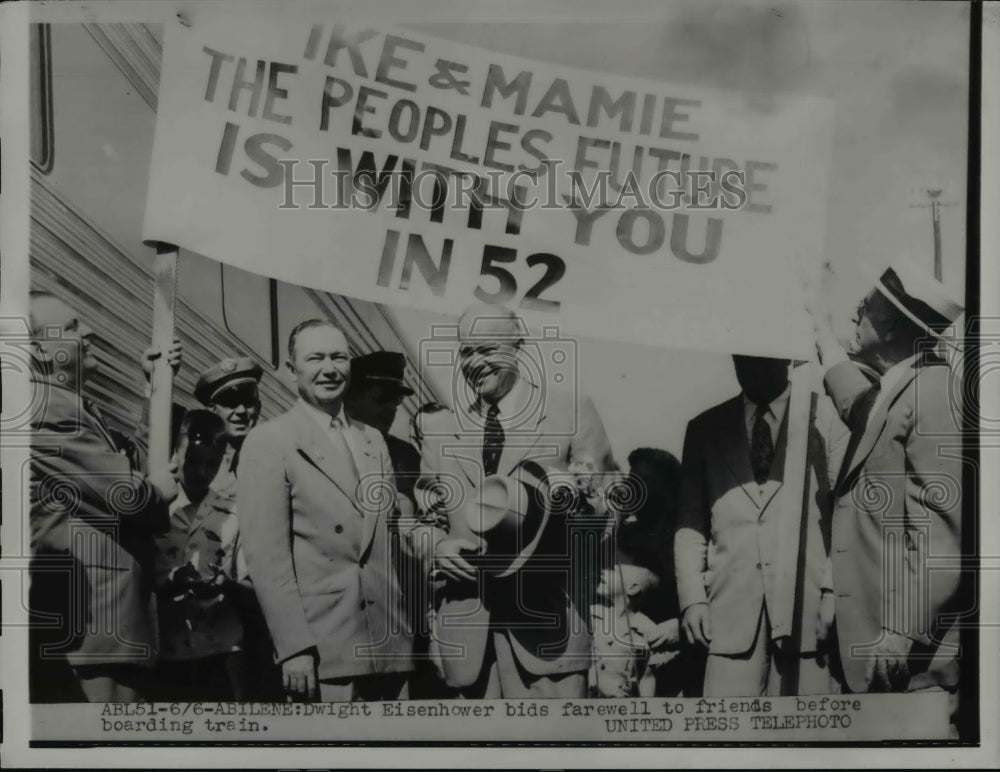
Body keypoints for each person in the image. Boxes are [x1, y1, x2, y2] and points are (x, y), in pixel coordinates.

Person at [406, 302, 616, 698]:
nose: (474, 363)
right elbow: (423, 524)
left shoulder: (570, 411)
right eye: (466, 352)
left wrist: (573, 507)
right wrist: (437, 548)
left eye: (487, 350)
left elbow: (605, 520)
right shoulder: (441, 430)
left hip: (550, 637)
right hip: (468, 644)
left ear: (518, 345)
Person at [809, 260, 964, 710]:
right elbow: (854, 403)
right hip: (876, 652)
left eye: (863, 308)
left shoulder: (935, 393)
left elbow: (943, 541)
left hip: (904, 659)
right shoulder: (897, 388)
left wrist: (900, 631)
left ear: (890, 325)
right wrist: (820, 329)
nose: (854, 317)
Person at [238, 319, 413, 701]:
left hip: (388, 644)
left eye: (339, 357)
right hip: (323, 649)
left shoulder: (373, 441)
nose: (329, 368)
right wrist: (295, 648)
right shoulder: (269, 442)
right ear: (291, 369)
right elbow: (268, 559)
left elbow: (390, 539)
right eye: (315, 358)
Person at [27, 291, 178, 702]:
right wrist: (159, 494)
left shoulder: (71, 408)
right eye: (74, 327)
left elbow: (128, 476)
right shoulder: (46, 411)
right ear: (39, 349)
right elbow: (132, 498)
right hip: (97, 633)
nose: (89, 332)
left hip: (107, 631)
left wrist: (154, 394)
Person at [674, 355, 848, 697]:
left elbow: (847, 514)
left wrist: (832, 591)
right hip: (728, 626)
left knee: (807, 741)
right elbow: (690, 523)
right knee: (728, 742)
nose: (751, 364)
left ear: (785, 357)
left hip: (809, 622)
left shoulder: (826, 418)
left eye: (762, 356)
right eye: (741, 356)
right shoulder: (705, 428)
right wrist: (692, 599)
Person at [152, 409, 249, 701]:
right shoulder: (154, 508)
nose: (201, 472)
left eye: (211, 464)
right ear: (175, 454)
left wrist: (227, 583)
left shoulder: (234, 515)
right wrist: (170, 580)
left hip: (222, 653)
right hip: (166, 654)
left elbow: (249, 578)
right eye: (192, 461)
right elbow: (137, 574)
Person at [591, 448, 686, 697]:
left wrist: (680, 626)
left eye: (643, 482)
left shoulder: (686, 539)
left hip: (676, 659)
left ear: (666, 488)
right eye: (631, 480)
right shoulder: (625, 535)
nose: (633, 488)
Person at [344, 351, 421, 513]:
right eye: (383, 397)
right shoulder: (323, 442)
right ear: (352, 396)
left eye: (396, 400)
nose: (392, 408)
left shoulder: (405, 455)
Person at [194, 356, 263, 494]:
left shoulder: (271, 462)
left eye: (249, 402)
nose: (241, 411)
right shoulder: (195, 462)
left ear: (258, 407)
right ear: (212, 410)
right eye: (231, 403)